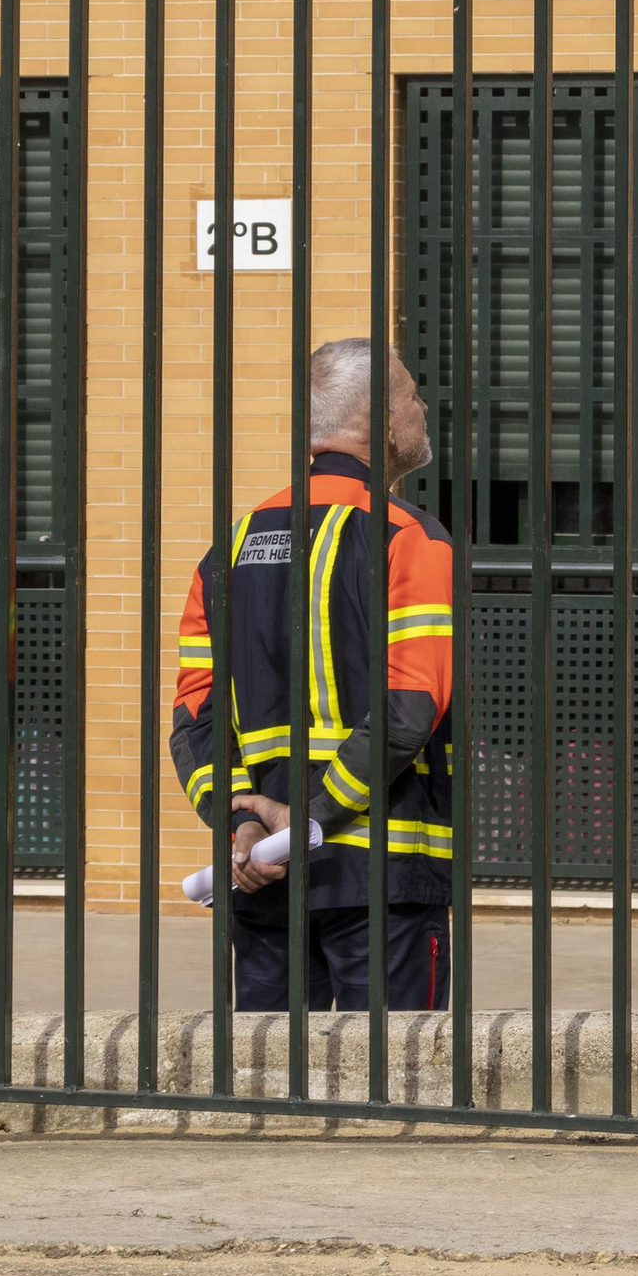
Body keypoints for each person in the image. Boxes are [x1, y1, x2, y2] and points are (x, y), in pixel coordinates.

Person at [170, 338, 454, 1012]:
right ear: (379, 417)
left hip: (260, 874)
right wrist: (311, 818)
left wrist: (239, 823)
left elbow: (194, 714)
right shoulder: (406, 535)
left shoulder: (232, 543)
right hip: (382, 876)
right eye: (411, 395)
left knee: (270, 1084)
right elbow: (409, 708)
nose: (421, 409)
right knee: (395, 1084)